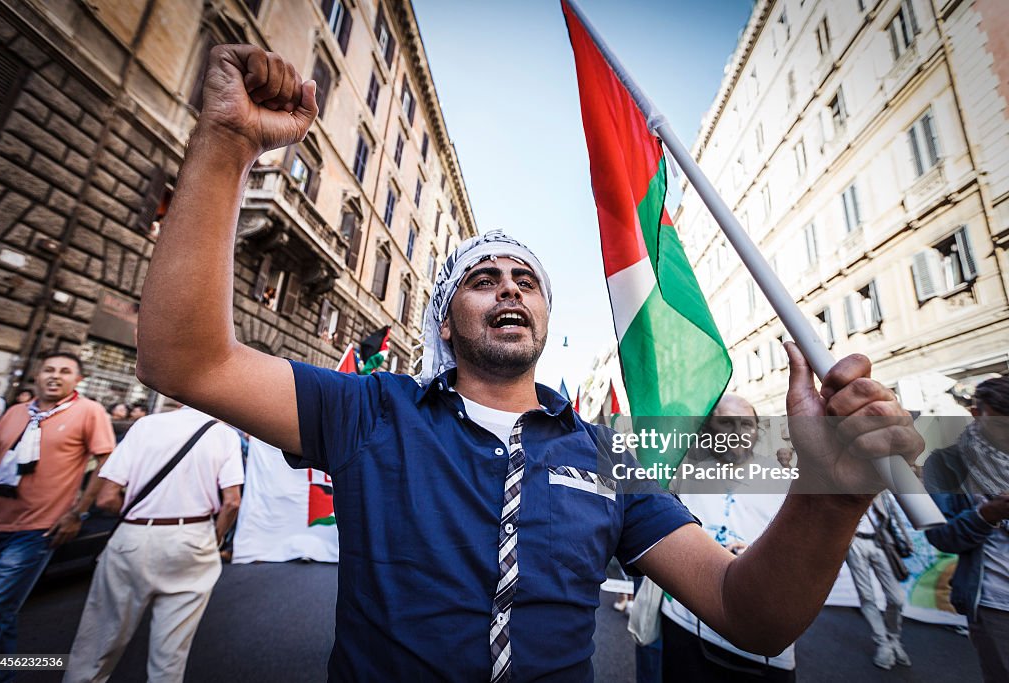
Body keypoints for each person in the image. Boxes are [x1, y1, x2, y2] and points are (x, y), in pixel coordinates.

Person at [134, 44, 924, 680]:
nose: (509, 289)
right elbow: (187, 361)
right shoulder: (370, 409)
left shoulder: (611, 458)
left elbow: (752, 613)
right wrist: (227, 142)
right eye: (484, 279)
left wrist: (829, 498)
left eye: (527, 282)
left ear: (545, 314)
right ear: (448, 315)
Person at [64, 405, 243, 683]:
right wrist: (214, 537)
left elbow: (107, 498)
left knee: (97, 644)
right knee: (170, 655)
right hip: (193, 535)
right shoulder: (224, 434)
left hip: (134, 534)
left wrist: (141, 512)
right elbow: (231, 502)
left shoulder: (145, 426)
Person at [0, 352, 115, 677]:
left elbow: (106, 460)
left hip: (37, 530)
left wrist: (78, 512)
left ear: (78, 379)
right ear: (37, 375)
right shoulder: (15, 412)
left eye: (65, 371)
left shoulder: (88, 411)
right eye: (49, 370)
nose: (55, 376)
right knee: (3, 611)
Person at [662, 395, 795, 681]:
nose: (736, 433)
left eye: (746, 424)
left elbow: (807, 553)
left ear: (757, 431)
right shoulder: (685, 471)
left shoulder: (782, 482)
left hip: (759, 646)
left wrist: (759, 553)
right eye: (725, 423)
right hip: (684, 625)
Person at [924, 376, 1009, 682]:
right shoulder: (946, 463)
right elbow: (940, 536)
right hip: (995, 605)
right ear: (976, 413)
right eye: (1001, 424)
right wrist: (986, 515)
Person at [844, 491, 911, 669]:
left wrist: (904, 539)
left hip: (880, 540)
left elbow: (891, 512)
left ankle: (894, 638)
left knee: (897, 598)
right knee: (867, 596)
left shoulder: (879, 486)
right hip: (855, 542)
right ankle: (883, 643)